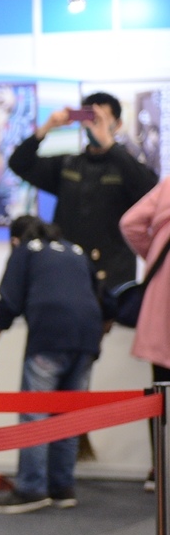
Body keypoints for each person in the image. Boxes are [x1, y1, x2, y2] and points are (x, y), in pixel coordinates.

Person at [0, 216, 103, 513]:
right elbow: (105, 299)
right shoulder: (74, 250)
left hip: (50, 335)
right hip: (88, 337)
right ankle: (62, 487)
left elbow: (8, 302)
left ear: (14, 240)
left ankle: (31, 488)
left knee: (35, 413)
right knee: (68, 414)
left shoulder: (25, 250)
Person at [8, 91, 158, 288]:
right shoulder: (68, 165)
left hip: (114, 274)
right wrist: (47, 127)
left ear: (118, 124)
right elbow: (19, 163)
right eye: (91, 120)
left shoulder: (127, 168)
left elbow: (150, 190)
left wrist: (109, 144)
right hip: (69, 269)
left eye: (102, 120)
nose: (95, 127)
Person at [120, 179, 170, 492]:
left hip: (161, 307)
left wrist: (153, 252)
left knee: (160, 393)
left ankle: (160, 467)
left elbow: (130, 222)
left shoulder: (167, 186)